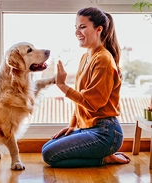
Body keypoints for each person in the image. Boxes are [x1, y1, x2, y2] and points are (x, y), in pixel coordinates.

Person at [42, 7, 130, 168]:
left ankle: (105, 158)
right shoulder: (86, 57)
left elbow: (92, 103)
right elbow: (81, 100)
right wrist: (72, 124)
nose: (77, 32)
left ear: (99, 29)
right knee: (46, 148)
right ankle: (103, 155)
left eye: (82, 27)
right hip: (88, 127)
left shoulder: (103, 59)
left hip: (106, 133)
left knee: (50, 155)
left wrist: (62, 85)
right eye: (76, 27)